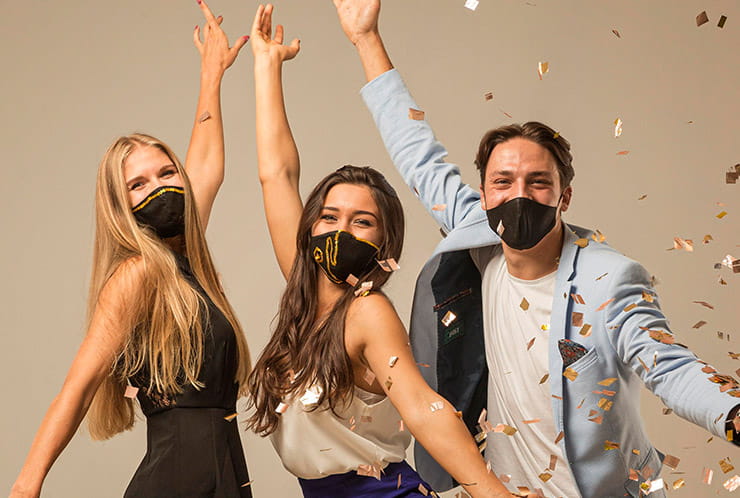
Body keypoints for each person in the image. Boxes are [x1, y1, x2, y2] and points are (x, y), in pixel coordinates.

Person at [332, 0, 740, 497]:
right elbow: (419, 154)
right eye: (503, 181)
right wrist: (365, 40)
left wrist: (732, 413)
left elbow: (668, 365)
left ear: (564, 195)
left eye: (538, 182)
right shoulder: (480, 240)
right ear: (484, 195)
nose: (518, 195)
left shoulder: (610, 279)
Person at [245, 4, 518, 498]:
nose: (340, 231)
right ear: (311, 228)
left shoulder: (367, 311)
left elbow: (421, 406)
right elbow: (276, 175)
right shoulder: (305, 289)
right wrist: (266, 65)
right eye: (329, 217)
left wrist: (494, 496)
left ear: (383, 244)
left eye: (362, 222)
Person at [10, 3, 254, 497]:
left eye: (166, 173)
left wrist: (212, 75)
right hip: (177, 480)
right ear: (121, 207)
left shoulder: (188, 257)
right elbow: (77, 388)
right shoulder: (139, 273)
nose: (160, 187)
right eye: (138, 185)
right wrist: (25, 486)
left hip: (224, 471)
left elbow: (205, 162)